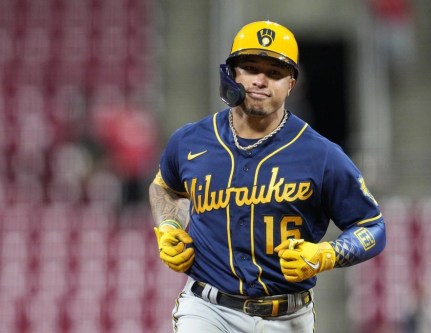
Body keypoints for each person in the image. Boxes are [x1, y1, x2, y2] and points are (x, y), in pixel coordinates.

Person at [149, 20, 386, 333]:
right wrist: (169, 225)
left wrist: (328, 253)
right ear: (232, 73)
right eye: (249, 68)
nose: (260, 80)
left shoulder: (322, 155)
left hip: (287, 316)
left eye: (274, 72)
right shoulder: (190, 140)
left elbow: (372, 227)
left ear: (291, 84)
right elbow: (165, 187)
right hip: (207, 309)